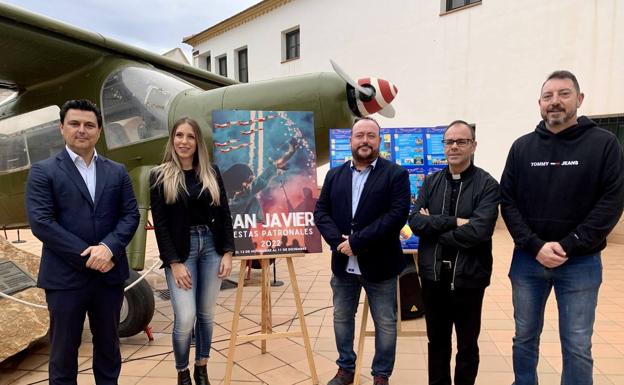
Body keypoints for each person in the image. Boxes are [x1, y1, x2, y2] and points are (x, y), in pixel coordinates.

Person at [501, 70, 624, 385]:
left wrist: (569, 245)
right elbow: (508, 202)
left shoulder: (604, 144)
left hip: (581, 263)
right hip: (528, 260)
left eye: (563, 94)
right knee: (523, 338)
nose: (555, 102)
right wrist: (534, 245)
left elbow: (611, 201)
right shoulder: (522, 147)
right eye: (548, 96)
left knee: (578, 344)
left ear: (579, 99)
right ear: (540, 103)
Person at [26, 99, 140, 385]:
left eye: (89, 125)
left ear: (99, 131)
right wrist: (88, 255)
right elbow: (41, 222)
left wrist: (109, 248)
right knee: (63, 354)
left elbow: (130, 214)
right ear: (61, 128)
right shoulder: (44, 171)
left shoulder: (117, 171)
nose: (82, 130)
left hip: (108, 277)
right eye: (74, 124)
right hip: (65, 279)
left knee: (109, 350)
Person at [314, 117, 410, 385]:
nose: (365, 141)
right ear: (351, 141)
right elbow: (321, 213)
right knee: (342, 317)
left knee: (386, 323)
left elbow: (396, 215)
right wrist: (338, 242)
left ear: (379, 141)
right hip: (342, 265)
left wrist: (358, 242)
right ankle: (346, 367)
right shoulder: (334, 175)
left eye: (371, 135)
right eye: (359, 136)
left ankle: (381, 375)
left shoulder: (396, 174)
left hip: (381, 264)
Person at [408, 120, 500, 385]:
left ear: (473, 145)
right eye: (449, 142)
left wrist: (434, 227)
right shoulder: (431, 182)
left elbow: (479, 232)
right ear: (443, 147)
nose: (455, 147)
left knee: (467, 346)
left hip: (469, 279)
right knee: (436, 343)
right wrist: (453, 222)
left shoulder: (487, 185)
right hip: (433, 278)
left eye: (462, 141)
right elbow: (415, 223)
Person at [149, 117, 235, 385]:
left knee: (207, 314)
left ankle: (202, 367)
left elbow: (224, 214)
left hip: (211, 247)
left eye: (190, 136)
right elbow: (160, 224)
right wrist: (173, 262)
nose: (183, 141)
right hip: (181, 252)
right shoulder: (159, 175)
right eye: (179, 135)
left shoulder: (211, 172)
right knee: (185, 317)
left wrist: (228, 252)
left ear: (198, 142)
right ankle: (182, 371)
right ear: (172, 139)